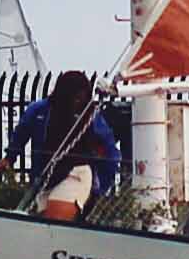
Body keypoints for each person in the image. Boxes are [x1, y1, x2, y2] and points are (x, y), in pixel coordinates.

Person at [20, 71, 121, 222]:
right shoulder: (40, 110)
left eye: (81, 97)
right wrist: (9, 157)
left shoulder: (90, 115)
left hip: (75, 173)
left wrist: (100, 189)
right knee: (43, 227)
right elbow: (22, 130)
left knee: (54, 223)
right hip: (46, 177)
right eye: (74, 97)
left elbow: (110, 152)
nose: (77, 101)